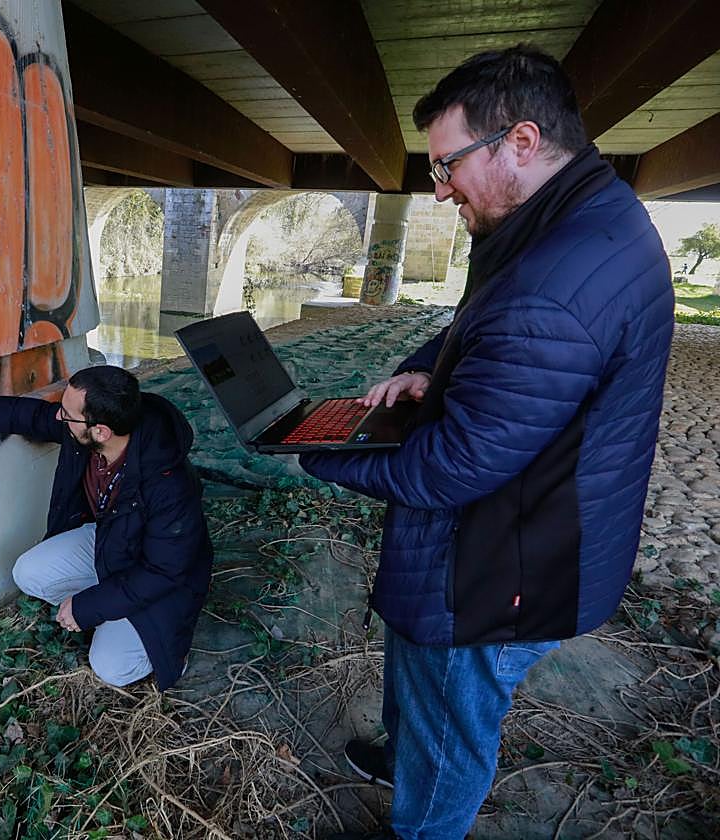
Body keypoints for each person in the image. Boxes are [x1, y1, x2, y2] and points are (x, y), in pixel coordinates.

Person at [300, 46, 674, 840]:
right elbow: (486, 327)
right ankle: (405, 758)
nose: (440, 189)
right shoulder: (572, 219)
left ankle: (425, 814)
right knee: (424, 680)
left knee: (450, 712)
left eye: (448, 166)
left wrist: (322, 450)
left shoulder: (556, 281)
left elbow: (455, 466)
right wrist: (422, 369)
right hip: (533, 529)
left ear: (522, 141)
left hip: (500, 568)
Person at [0, 365, 212, 690]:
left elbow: (163, 571)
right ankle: (109, 612)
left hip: (163, 580)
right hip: (112, 544)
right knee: (29, 573)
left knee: (112, 668)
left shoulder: (170, 486)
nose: (58, 417)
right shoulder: (88, 432)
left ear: (101, 431)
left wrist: (89, 607)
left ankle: (168, 645)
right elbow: (33, 416)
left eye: (67, 414)